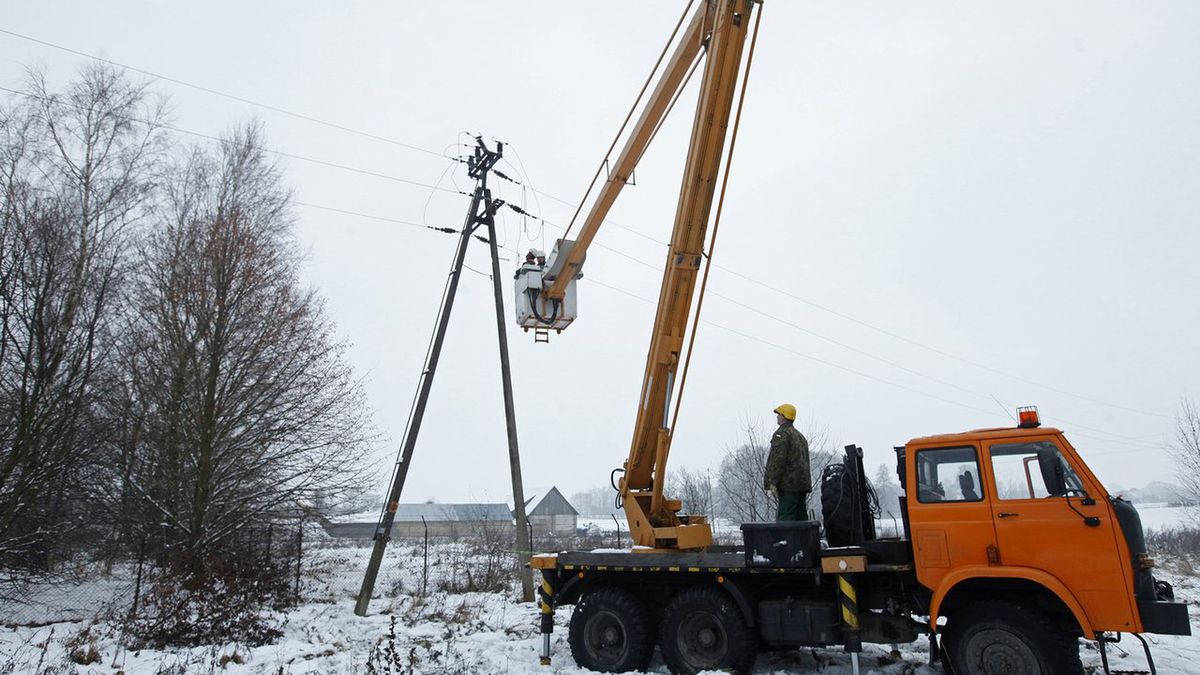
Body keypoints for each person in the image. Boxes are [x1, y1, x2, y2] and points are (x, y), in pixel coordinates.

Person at [764, 403, 812, 521]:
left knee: (786, 520)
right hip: (802, 485)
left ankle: (787, 540)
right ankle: (805, 540)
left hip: (788, 486)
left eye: (778, 414)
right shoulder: (800, 437)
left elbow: (777, 461)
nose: (777, 417)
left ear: (784, 416)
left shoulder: (782, 434)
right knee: (801, 520)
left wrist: (771, 483)